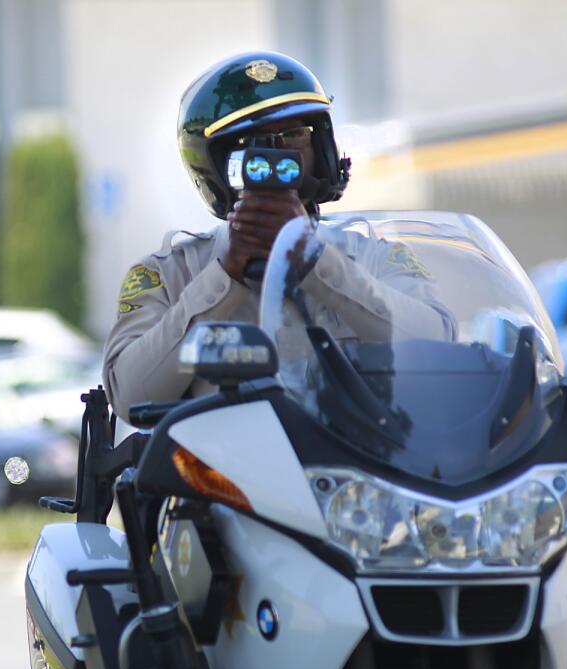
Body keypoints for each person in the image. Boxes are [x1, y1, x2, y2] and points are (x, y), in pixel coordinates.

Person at [102, 51, 455, 424]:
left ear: (321, 150)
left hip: (361, 471)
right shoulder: (171, 274)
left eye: (293, 134)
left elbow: (437, 346)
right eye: (250, 144)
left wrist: (314, 261)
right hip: (226, 478)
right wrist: (226, 276)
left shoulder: (375, 257)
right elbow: (130, 397)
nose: (277, 154)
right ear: (214, 168)